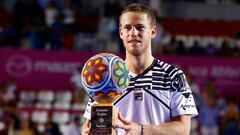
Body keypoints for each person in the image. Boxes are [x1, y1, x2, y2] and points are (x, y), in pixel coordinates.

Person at [82, 3, 198, 135]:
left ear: (153, 31)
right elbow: (91, 127)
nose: (133, 33)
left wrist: (141, 130)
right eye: (127, 28)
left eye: (139, 27)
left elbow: (183, 129)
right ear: (121, 32)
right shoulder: (105, 77)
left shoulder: (174, 76)